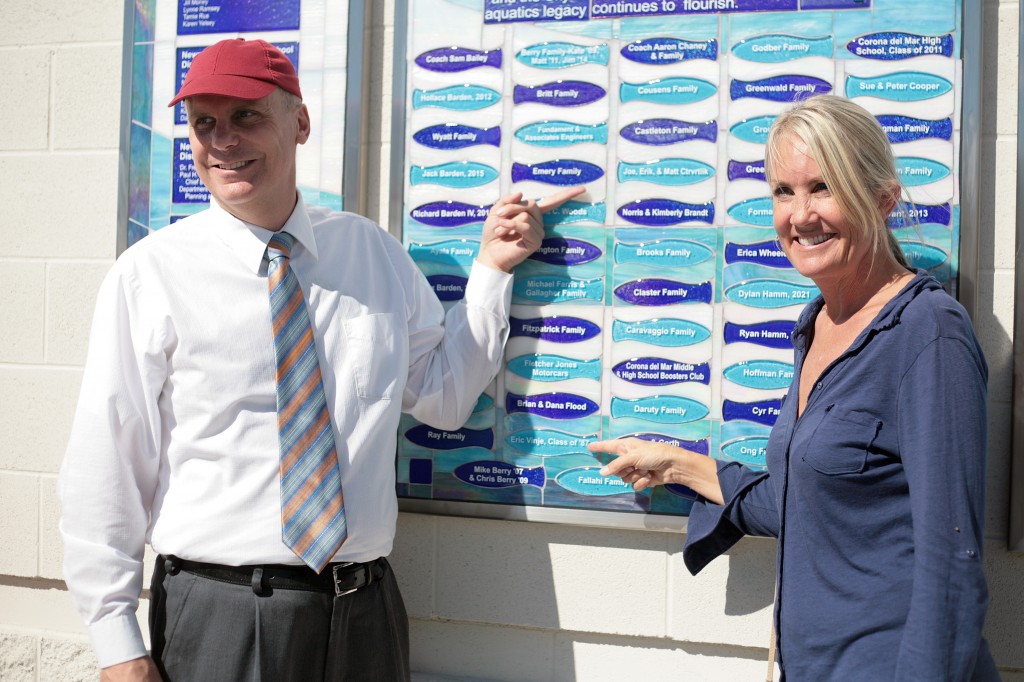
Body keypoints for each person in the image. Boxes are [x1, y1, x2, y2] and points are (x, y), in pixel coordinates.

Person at [58, 37, 582, 682]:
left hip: (365, 612)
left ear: (299, 122)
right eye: (204, 123)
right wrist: (119, 646)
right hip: (221, 614)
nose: (222, 140)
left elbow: (444, 397)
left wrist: (491, 272)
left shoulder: (371, 253)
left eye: (247, 115)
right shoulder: (151, 274)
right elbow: (106, 462)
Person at [590, 95, 999, 680]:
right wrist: (678, 466)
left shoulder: (928, 335)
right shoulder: (819, 324)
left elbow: (953, 564)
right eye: (784, 191)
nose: (800, 215)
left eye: (824, 187)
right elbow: (804, 499)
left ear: (883, 199)